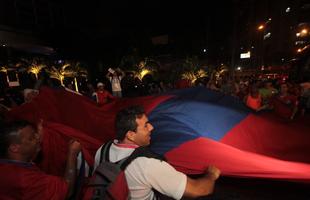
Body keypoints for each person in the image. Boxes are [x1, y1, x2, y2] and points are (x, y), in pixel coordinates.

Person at [93, 105, 221, 199]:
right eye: (146, 125)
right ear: (131, 135)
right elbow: (199, 190)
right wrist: (211, 175)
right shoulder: (147, 164)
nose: (152, 127)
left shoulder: (103, 149)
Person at [0, 120, 81, 199]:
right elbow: (67, 190)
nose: (38, 138)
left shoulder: (6, 165)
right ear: (14, 148)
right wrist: (72, 153)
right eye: (31, 138)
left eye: (36, 134)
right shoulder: (24, 180)